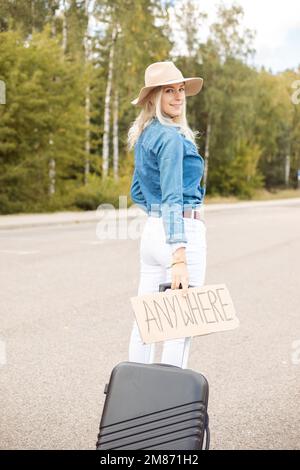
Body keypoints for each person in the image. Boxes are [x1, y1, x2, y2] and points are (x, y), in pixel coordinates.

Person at [127, 61, 207, 369]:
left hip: (153, 233)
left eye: (181, 90)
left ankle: (136, 404)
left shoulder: (146, 135)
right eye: (168, 91)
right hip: (181, 232)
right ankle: (171, 414)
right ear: (153, 98)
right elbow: (173, 197)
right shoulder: (172, 138)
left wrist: (157, 217)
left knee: (145, 323)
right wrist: (178, 256)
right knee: (179, 328)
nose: (178, 97)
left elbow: (136, 191)